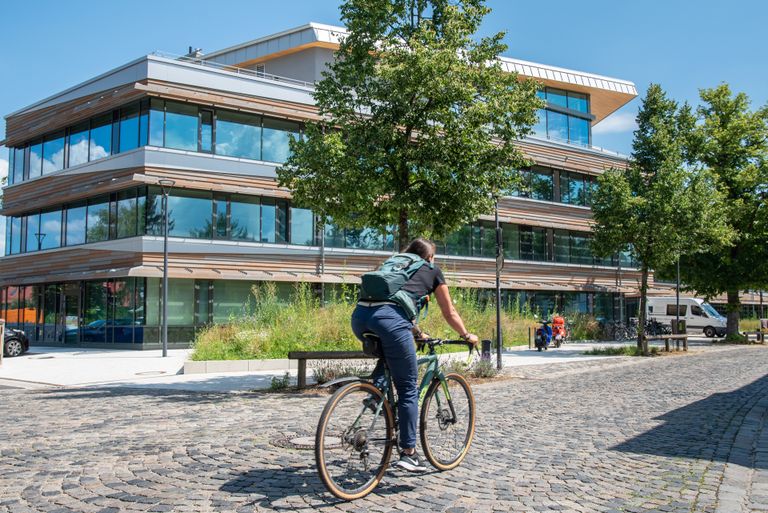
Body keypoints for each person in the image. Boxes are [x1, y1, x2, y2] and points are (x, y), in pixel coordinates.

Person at [351, 237, 480, 472]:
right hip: (390, 322)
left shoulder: (394, 264)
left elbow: (393, 304)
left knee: (390, 353)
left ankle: (377, 393)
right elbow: (449, 312)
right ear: (430, 257)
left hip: (360, 318)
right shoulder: (431, 270)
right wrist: (466, 335)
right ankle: (409, 454)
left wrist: (418, 333)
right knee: (408, 388)